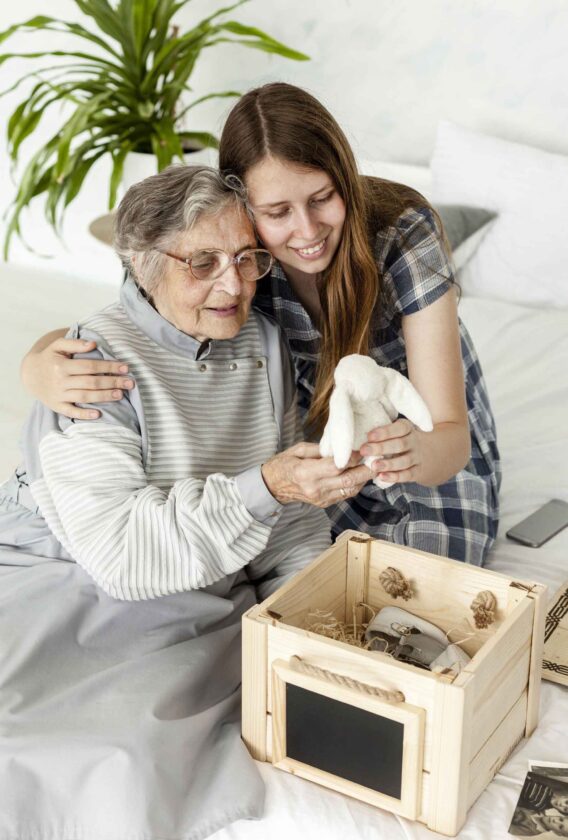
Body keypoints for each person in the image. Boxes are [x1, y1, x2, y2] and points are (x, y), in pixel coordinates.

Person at [21, 82, 500, 566]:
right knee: (318, 578)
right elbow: (137, 318)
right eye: (277, 213)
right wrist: (37, 363)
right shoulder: (237, 261)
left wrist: (410, 453)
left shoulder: (402, 232)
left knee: (431, 575)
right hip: (320, 441)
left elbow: (450, 436)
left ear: (344, 180)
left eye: (322, 198)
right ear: (243, 209)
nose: (308, 232)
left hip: (423, 436)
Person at [0, 165, 334, 838]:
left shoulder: (263, 342)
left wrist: (311, 614)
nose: (233, 284)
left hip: (198, 581)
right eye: (202, 262)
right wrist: (264, 489)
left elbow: (290, 518)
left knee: (139, 747)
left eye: (246, 258)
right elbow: (122, 559)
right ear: (143, 266)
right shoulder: (92, 364)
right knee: (65, 756)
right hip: (76, 573)